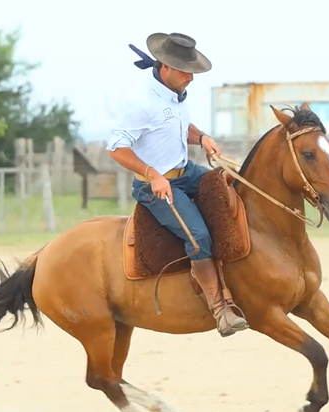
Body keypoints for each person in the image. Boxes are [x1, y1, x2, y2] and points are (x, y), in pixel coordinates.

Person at [107, 32, 249, 337]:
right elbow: (117, 147)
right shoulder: (139, 102)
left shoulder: (175, 93)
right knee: (197, 236)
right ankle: (220, 309)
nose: (192, 79)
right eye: (187, 72)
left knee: (233, 185)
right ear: (166, 67)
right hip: (154, 186)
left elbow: (179, 127)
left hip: (185, 172)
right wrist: (152, 175)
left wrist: (202, 138)